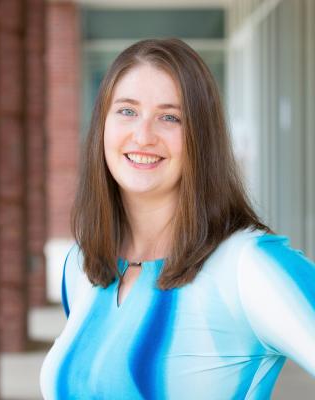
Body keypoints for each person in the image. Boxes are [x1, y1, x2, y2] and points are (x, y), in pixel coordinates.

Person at [40, 38, 315, 399]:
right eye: (126, 111)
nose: (143, 135)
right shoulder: (82, 265)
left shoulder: (248, 266)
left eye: (170, 117)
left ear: (201, 139)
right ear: (101, 126)